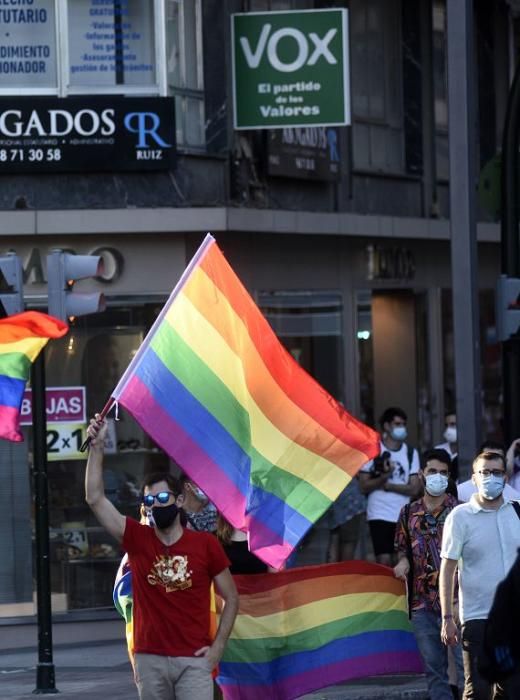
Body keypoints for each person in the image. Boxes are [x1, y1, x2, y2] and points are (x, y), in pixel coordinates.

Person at [85, 415, 238, 700]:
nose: (156, 505)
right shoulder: (137, 539)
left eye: (163, 498)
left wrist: (217, 649)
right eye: (149, 501)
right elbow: (95, 498)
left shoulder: (205, 545)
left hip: (194, 660)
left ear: (180, 501)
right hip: (150, 660)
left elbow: (231, 597)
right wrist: (97, 447)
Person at [440, 451, 520, 699]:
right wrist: (447, 617)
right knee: (478, 691)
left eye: (496, 472)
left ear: (505, 479)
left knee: (512, 691)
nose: (490, 477)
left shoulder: (517, 513)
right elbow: (448, 569)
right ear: (473, 478)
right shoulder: (460, 517)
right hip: (477, 619)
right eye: (484, 472)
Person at [394, 448, 464, 700]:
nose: (438, 476)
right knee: (435, 672)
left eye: (444, 473)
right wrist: (402, 563)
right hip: (422, 603)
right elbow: (402, 550)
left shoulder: (462, 512)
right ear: (422, 473)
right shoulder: (407, 513)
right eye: (432, 471)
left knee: (467, 669)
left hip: (458, 603)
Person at [358, 406, 421, 565]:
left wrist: (387, 486)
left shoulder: (411, 453)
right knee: (383, 560)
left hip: (402, 514)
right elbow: (363, 485)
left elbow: (415, 488)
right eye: (397, 424)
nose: (401, 428)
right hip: (378, 513)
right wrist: (385, 476)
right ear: (386, 425)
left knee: (402, 560)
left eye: (403, 424)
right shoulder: (373, 450)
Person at [327, 477, 365, 562]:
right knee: (348, 542)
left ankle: (330, 572)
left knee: (334, 539)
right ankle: (343, 572)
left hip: (334, 501)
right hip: (351, 505)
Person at [436, 411, 458, 482]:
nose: (448, 429)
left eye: (452, 424)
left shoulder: (470, 451)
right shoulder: (437, 450)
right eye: (446, 425)